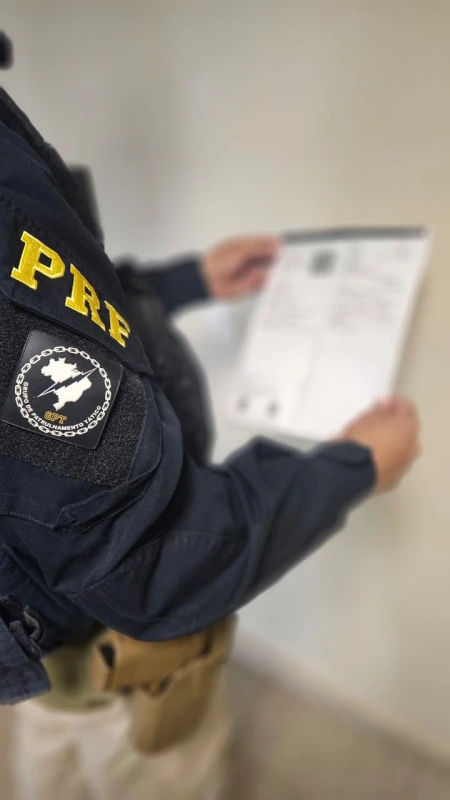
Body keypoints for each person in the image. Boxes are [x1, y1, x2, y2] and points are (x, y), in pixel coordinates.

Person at [0, 77, 421, 800]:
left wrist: (178, 283)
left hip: (35, 634)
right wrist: (352, 470)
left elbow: (61, 294)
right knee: (158, 773)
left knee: (50, 768)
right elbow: (153, 565)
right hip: (109, 664)